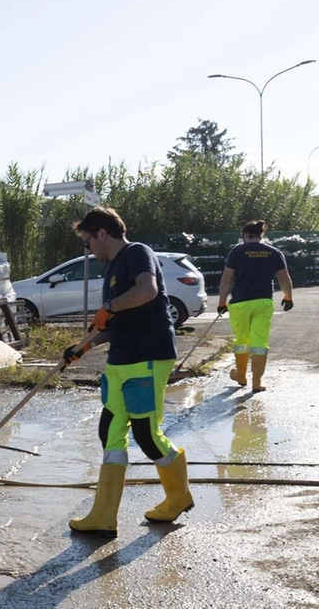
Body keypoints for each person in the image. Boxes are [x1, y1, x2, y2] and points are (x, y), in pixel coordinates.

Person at [61, 206, 192, 538]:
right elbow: (114, 323)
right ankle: (104, 516)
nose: (88, 249)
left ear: (102, 233)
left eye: (88, 242)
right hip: (121, 359)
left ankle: (179, 497)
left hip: (147, 356)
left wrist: (109, 307)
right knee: (110, 431)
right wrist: (85, 345)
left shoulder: (137, 253)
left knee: (146, 434)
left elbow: (146, 291)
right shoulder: (112, 268)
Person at [217, 220, 293, 393]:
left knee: (242, 340)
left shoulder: (236, 252)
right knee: (260, 342)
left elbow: (226, 279)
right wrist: (288, 297)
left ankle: (241, 375)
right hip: (263, 302)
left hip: (240, 304)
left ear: (244, 235)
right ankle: (257, 382)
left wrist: (222, 302)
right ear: (261, 236)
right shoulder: (274, 252)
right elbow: (284, 278)